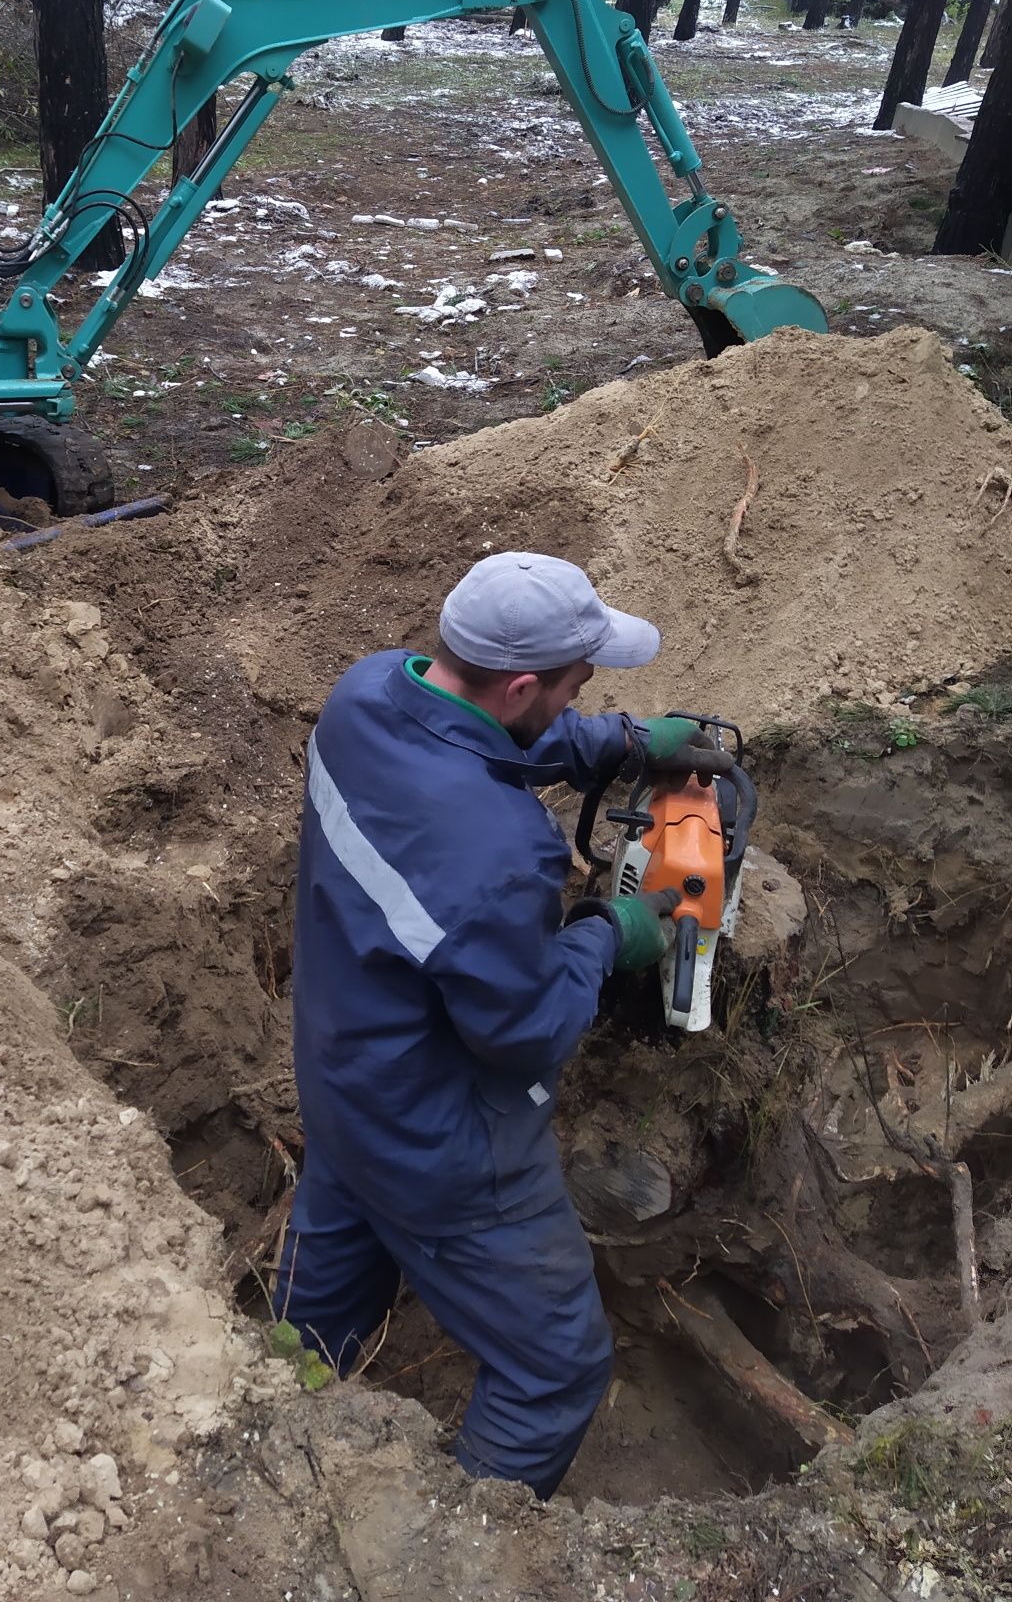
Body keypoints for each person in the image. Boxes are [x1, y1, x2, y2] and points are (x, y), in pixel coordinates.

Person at [277, 550, 730, 1496]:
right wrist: (612, 931)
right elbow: (525, 1029)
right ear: (525, 683)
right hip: (443, 1141)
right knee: (554, 1369)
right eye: (577, 683)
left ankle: (276, 1440)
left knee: (313, 1323)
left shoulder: (363, 697)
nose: (584, 690)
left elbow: (479, 739)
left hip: (342, 1078)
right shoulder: (497, 853)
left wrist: (616, 742)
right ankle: (464, 1547)